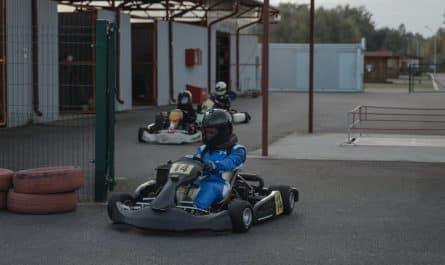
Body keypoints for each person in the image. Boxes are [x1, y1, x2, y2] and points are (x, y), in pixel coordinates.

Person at [193, 109, 247, 209]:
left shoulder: (237, 150)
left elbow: (230, 163)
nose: (207, 136)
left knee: (209, 188)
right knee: (181, 185)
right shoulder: (203, 149)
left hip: (220, 184)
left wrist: (215, 165)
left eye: (211, 132)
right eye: (206, 132)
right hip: (199, 181)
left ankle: (196, 210)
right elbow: (193, 162)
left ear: (223, 132)